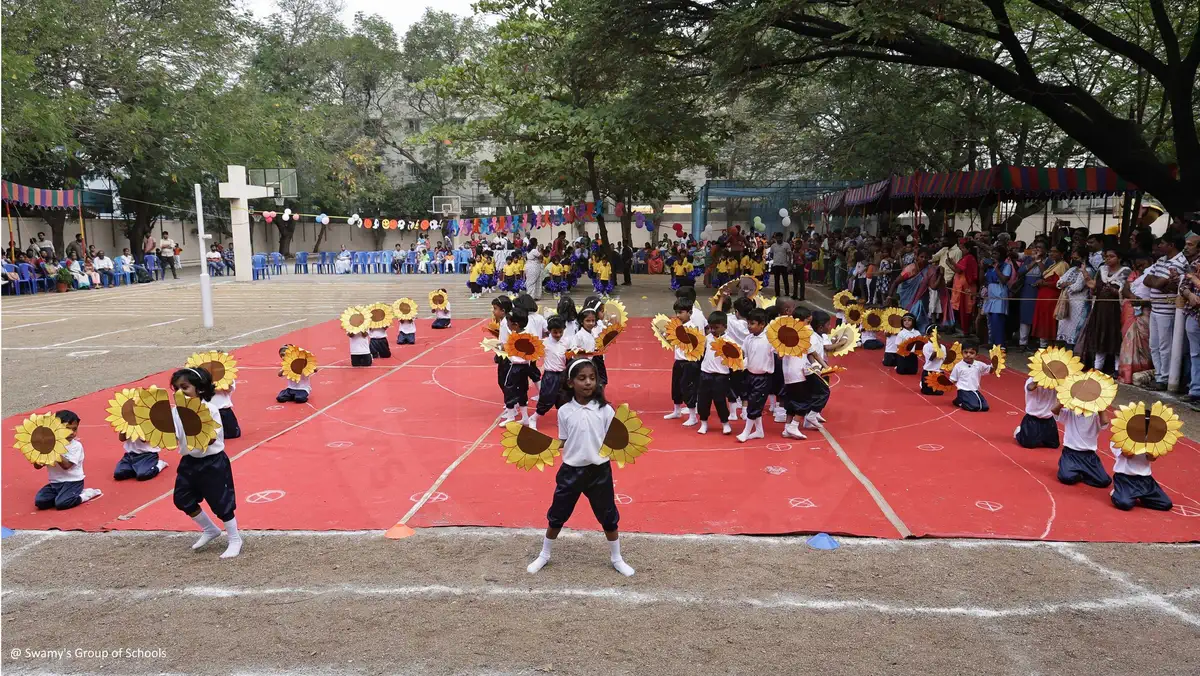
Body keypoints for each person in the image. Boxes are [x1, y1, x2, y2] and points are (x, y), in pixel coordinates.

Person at [525, 358, 635, 576]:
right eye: (582, 378)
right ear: (570, 382)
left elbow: (614, 440)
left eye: (592, 378)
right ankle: (544, 555)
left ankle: (617, 558)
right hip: (571, 471)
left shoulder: (605, 410)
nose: (588, 383)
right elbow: (564, 440)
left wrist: (620, 448)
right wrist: (539, 448)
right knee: (557, 514)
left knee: (608, 516)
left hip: (599, 471)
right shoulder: (565, 411)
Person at [170, 368, 242, 558]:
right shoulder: (176, 411)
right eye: (176, 389)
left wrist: (197, 431)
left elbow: (209, 438)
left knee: (221, 501)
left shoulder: (209, 410)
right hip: (189, 462)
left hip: (212, 463)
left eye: (184, 387)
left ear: (200, 389)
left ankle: (234, 538)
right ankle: (210, 529)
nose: (179, 392)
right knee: (182, 498)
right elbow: (175, 435)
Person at [1140, 233, 1187, 391]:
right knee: (1154, 345)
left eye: (1162, 243)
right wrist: (1159, 283)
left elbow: (1156, 281)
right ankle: (1160, 375)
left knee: (1164, 345)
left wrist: (1158, 282)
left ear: (1172, 245)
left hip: (1167, 309)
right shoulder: (1162, 260)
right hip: (1156, 306)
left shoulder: (1180, 261)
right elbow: (1147, 280)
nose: (1159, 246)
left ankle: (1165, 377)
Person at [33, 410, 103, 510]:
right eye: (66, 429)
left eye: (74, 429)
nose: (71, 433)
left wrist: (53, 449)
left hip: (73, 482)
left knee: (62, 504)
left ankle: (86, 494)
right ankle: (64, 496)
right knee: (40, 502)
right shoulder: (49, 445)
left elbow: (66, 466)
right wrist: (39, 458)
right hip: (55, 483)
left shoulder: (76, 446)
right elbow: (37, 466)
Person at [1082, 249, 1131, 373]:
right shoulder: (1102, 270)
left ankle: (1116, 368)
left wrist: (1115, 291)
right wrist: (1086, 276)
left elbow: (1127, 290)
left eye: (1111, 256)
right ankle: (1098, 367)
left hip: (1116, 310)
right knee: (1100, 335)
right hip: (1100, 308)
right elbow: (1095, 287)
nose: (1108, 259)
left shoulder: (1125, 272)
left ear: (1119, 258)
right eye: (1106, 256)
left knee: (1115, 337)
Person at [1053, 401, 1113, 489]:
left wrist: (1101, 405)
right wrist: (1064, 400)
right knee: (1066, 478)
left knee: (1104, 481)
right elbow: (1054, 410)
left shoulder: (1095, 415)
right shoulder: (1071, 412)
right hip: (1071, 453)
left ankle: (1081, 472)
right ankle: (1072, 469)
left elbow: (1104, 422)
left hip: (1089, 455)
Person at [737, 308, 773, 442]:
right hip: (750, 374)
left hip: (763, 377)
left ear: (762, 324)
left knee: (754, 404)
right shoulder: (748, 339)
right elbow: (745, 354)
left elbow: (779, 352)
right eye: (748, 323)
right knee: (754, 402)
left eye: (752, 323)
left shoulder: (770, 339)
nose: (749, 326)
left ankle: (746, 432)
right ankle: (759, 431)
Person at [664, 299, 702, 424]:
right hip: (679, 361)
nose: (678, 315)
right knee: (676, 386)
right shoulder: (677, 327)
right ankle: (677, 410)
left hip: (689, 362)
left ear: (690, 312)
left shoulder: (691, 328)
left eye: (681, 312)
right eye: (676, 312)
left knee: (688, 388)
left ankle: (692, 416)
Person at [695, 311, 734, 435]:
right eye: (711, 327)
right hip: (705, 373)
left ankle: (725, 423)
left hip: (721, 375)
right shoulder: (707, 338)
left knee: (720, 400)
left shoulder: (729, 341)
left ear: (724, 327)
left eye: (716, 327)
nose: (712, 330)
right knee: (703, 400)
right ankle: (704, 423)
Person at [531, 315, 570, 431]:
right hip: (550, 376)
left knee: (563, 399)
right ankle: (534, 418)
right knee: (547, 399)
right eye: (555, 332)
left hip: (563, 375)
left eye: (560, 332)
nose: (558, 335)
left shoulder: (567, 342)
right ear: (549, 331)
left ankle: (561, 421)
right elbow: (532, 351)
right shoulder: (544, 343)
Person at [1109, 441, 1172, 511]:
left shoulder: (1151, 437)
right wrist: (1139, 440)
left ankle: (1140, 496)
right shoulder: (1119, 436)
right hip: (1125, 477)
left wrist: (1150, 445)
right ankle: (1117, 491)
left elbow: (1152, 458)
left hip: (1145, 479)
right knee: (1124, 503)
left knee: (1166, 504)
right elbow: (1128, 455)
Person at [501, 309, 536, 427]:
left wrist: (504, 348)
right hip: (526, 367)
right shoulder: (528, 336)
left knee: (509, 388)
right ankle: (525, 417)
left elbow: (511, 352)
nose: (508, 325)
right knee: (522, 390)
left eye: (509, 323)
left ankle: (511, 416)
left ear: (515, 324)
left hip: (516, 366)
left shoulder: (516, 337)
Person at [1014, 375, 1059, 449]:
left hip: (1048, 419)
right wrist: (1041, 378)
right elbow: (1030, 387)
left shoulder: (1056, 382)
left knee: (1054, 445)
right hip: (1033, 419)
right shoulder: (1032, 380)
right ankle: (1019, 431)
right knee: (1029, 444)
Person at [211, 375, 241, 440]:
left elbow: (230, 388)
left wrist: (219, 384)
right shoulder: (198, 373)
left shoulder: (226, 372)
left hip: (223, 411)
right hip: (204, 410)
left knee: (232, 434)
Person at [920, 326, 946, 395]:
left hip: (939, 372)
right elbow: (931, 358)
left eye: (938, 333)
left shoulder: (943, 347)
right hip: (929, 371)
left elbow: (944, 359)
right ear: (928, 336)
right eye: (934, 333)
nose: (937, 335)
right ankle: (923, 383)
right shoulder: (926, 346)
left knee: (939, 392)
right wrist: (936, 349)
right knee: (926, 391)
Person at [769, 232, 791, 297]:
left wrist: (789, 264)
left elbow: (790, 255)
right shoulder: (773, 246)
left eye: (780, 237)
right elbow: (771, 254)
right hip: (776, 265)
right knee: (776, 280)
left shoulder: (786, 245)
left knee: (785, 280)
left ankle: (787, 293)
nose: (779, 238)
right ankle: (777, 294)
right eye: (777, 237)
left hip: (784, 265)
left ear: (782, 237)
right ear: (776, 238)